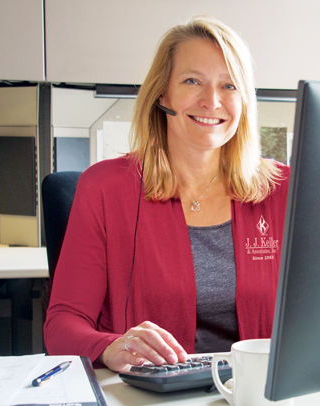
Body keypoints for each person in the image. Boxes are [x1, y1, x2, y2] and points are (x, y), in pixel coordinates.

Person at [44, 15, 289, 373]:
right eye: (193, 80)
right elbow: (62, 324)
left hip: (257, 394)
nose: (211, 100)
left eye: (229, 86)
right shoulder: (104, 189)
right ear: (163, 93)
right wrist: (110, 345)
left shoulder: (283, 191)